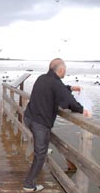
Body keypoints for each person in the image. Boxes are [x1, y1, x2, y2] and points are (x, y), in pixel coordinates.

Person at [23, 58, 91, 192]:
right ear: (60, 70)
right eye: (64, 69)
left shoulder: (42, 78)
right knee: (40, 155)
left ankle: (41, 146)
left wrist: (71, 87)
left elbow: (58, 89)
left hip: (28, 117)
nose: (65, 71)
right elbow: (69, 102)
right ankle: (29, 184)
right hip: (39, 123)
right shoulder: (55, 83)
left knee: (41, 143)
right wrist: (83, 110)